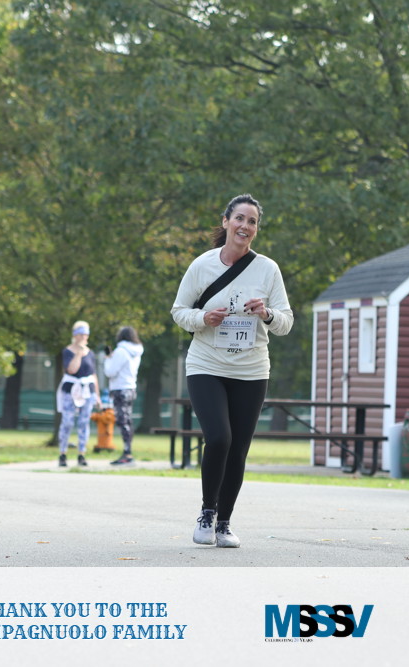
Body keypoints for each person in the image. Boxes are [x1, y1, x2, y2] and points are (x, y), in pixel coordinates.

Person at [171, 194, 293, 548]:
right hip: (206, 364)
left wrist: (266, 314)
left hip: (251, 370)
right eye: (239, 218)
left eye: (252, 221)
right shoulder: (202, 265)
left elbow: (286, 322)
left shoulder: (268, 269)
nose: (245, 226)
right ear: (225, 222)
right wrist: (203, 318)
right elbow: (179, 311)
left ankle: (224, 523)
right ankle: (207, 512)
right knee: (219, 438)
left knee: (238, 447)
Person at [56, 321, 102, 467]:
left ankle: (82, 453)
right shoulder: (67, 352)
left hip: (87, 391)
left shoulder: (91, 353)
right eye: (81, 334)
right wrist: (78, 354)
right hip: (70, 390)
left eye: (86, 334)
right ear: (75, 336)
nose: (84, 337)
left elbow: (93, 375)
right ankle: (63, 453)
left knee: (84, 422)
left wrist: (97, 396)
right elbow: (72, 370)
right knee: (67, 422)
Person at [104, 326, 144, 465]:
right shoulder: (136, 351)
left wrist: (108, 358)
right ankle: (128, 451)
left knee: (122, 421)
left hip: (120, 388)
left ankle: (127, 454)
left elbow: (110, 372)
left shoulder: (121, 351)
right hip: (131, 387)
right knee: (127, 420)